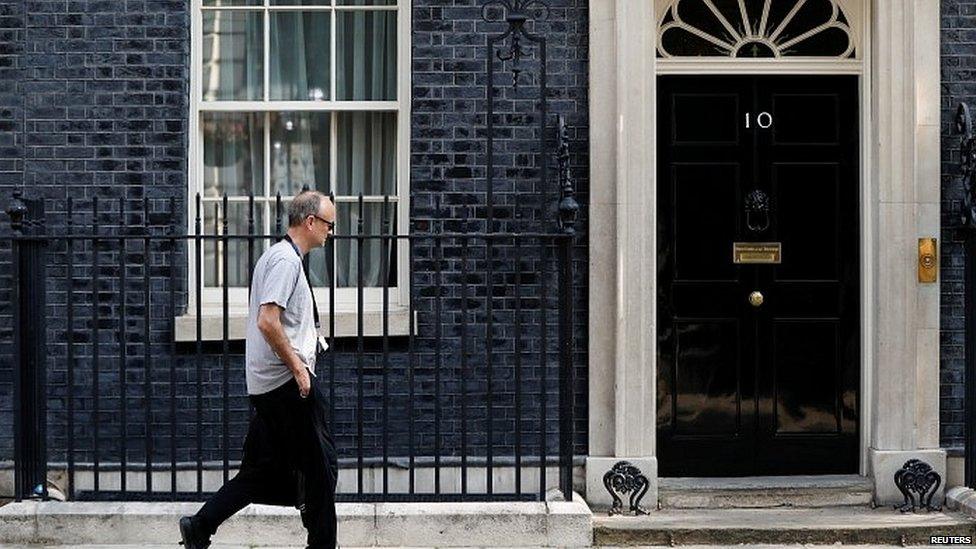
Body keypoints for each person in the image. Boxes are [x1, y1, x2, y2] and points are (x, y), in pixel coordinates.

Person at [179, 190, 339, 549]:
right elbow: (268, 322)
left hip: (268, 387)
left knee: (260, 472)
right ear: (310, 222)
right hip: (287, 385)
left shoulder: (275, 257)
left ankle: (200, 525)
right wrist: (298, 368)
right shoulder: (285, 262)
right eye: (330, 224)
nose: (332, 231)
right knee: (321, 470)